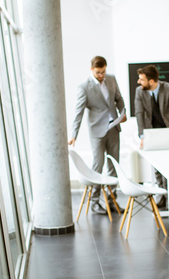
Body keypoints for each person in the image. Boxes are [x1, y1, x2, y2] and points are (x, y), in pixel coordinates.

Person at [68, 56, 126, 215]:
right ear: (91, 70)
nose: (101, 75)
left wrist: (123, 113)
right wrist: (74, 134)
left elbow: (119, 99)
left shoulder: (111, 79)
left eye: (103, 72)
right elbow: (78, 113)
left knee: (114, 165)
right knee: (97, 167)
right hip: (97, 132)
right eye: (98, 72)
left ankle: (112, 200)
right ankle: (94, 201)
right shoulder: (84, 87)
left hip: (114, 128)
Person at [134, 65, 169, 208]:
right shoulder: (139, 91)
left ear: (152, 81)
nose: (138, 82)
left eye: (142, 79)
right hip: (151, 132)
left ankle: (168, 194)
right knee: (156, 165)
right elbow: (139, 114)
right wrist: (142, 136)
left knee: (168, 165)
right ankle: (162, 195)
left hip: (167, 130)